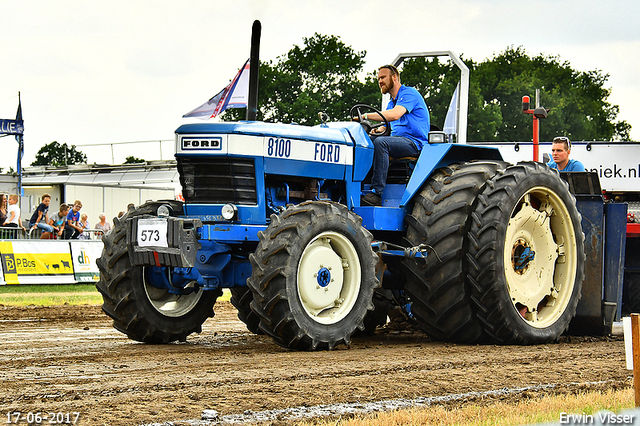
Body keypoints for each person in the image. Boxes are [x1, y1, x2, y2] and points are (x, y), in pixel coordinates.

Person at [356, 64, 431, 206]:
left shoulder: (409, 93)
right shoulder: (391, 103)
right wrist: (375, 131)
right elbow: (386, 126)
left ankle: (376, 193)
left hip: (414, 143)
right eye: (378, 78)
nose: (380, 81)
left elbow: (395, 115)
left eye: (383, 77)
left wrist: (366, 116)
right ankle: (358, 186)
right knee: (367, 142)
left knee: (381, 143)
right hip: (397, 140)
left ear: (394, 77)